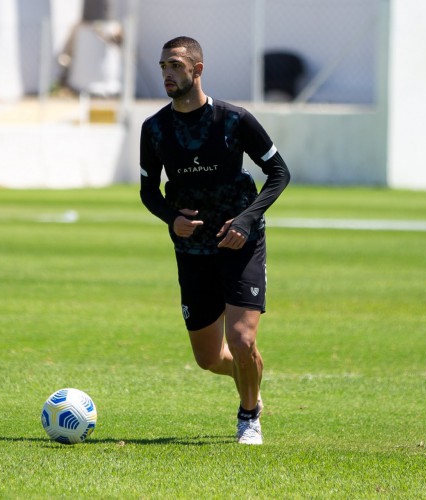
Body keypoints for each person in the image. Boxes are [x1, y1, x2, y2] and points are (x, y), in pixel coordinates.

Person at [139, 36, 291, 445]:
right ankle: (250, 377)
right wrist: (172, 220)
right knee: (209, 359)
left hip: (239, 244)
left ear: (197, 69)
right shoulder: (154, 129)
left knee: (242, 339)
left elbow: (279, 173)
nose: (167, 75)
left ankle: (249, 415)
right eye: (163, 67)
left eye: (175, 65)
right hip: (192, 251)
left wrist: (246, 219)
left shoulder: (234, 120)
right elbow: (148, 191)